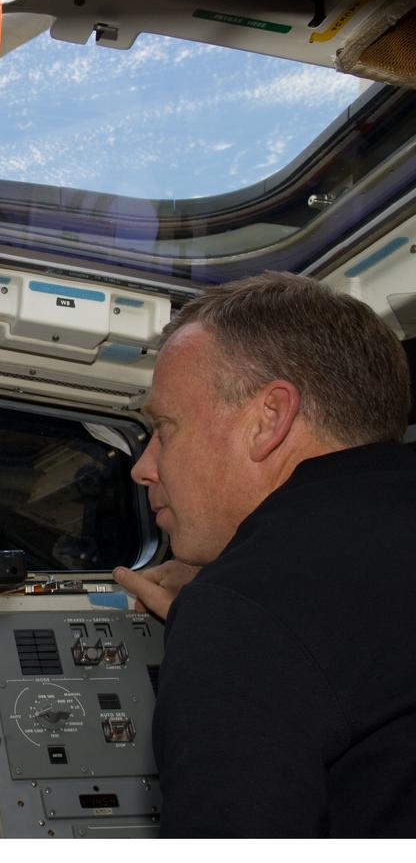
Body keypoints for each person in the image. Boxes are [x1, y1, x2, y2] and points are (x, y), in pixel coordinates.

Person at [112, 271, 416, 837]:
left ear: (269, 419)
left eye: (163, 428)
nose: (142, 466)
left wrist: (225, 622)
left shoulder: (244, 611)